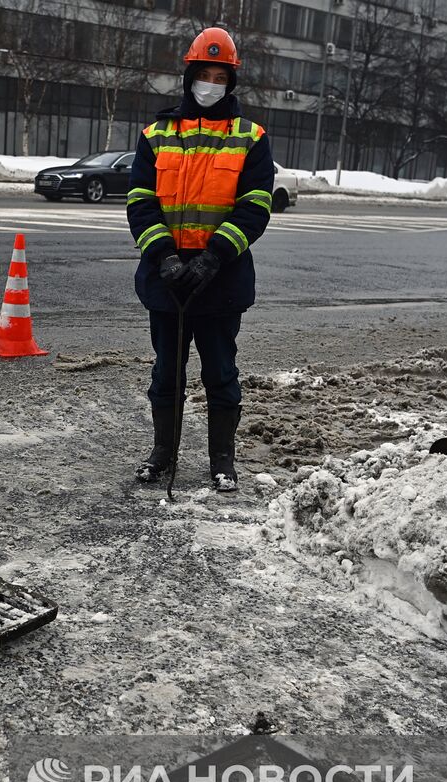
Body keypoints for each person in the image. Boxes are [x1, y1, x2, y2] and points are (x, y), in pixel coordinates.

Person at [126, 27, 274, 492]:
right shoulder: (157, 133)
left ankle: (222, 459)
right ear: (190, 76)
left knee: (220, 373)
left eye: (220, 76)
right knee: (166, 372)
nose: (210, 84)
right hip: (166, 278)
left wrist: (214, 256)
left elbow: (255, 206)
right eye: (203, 74)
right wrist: (163, 255)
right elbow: (140, 201)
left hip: (220, 279)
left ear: (231, 82)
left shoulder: (249, 136)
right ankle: (163, 454)